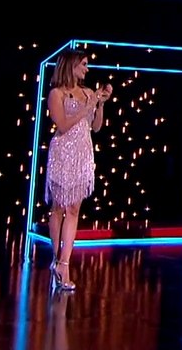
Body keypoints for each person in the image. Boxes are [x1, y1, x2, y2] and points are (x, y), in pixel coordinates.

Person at [44, 48, 112, 291]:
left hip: (83, 153)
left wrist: (99, 104)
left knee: (74, 209)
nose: (87, 68)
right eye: (83, 64)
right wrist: (85, 108)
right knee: (59, 207)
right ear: (71, 65)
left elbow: (95, 127)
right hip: (63, 153)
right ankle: (55, 256)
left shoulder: (87, 92)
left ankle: (64, 263)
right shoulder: (56, 93)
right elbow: (61, 125)